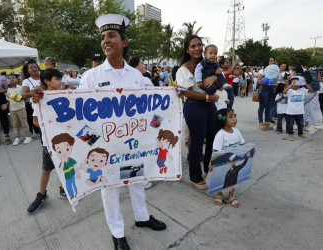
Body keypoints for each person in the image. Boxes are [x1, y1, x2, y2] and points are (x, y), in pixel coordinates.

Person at [79, 14, 166, 250]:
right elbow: (78, 116)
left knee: (137, 180)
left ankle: (142, 218)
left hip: (132, 145)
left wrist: (173, 99)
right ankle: (117, 233)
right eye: (103, 37)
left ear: (124, 42)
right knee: (110, 189)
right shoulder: (91, 77)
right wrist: (96, 144)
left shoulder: (136, 76)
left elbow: (152, 108)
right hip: (106, 148)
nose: (106, 41)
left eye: (112, 36)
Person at [176, 35, 219, 190]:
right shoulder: (183, 69)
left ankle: (208, 169)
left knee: (213, 138)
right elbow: (186, 93)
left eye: (199, 45)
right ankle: (195, 176)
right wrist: (209, 96)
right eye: (193, 46)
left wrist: (214, 77)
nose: (197, 48)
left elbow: (220, 79)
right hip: (194, 107)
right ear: (187, 50)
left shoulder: (208, 64)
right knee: (197, 141)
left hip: (210, 106)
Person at [27, 68, 66, 214]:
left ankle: (64, 189)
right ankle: (41, 195)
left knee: (65, 164)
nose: (60, 82)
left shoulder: (67, 95)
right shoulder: (41, 98)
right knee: (46, 170)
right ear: (47, 81)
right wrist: (50, 125)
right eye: (56, 79)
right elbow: (35, 121)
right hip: (49, 142)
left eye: (60, 78)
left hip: (65, 140)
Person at [208, 108, 251, 208]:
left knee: (234, 180)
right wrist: (211, 163)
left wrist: (249, 150)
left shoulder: (237, 131)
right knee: (222, 178)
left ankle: (231, 196)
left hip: (234, 161)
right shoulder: (220, 135)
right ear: (223, 120)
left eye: (234, 116)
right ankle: (220, 194)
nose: (234, 119)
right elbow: (215, 151)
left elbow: (242, 144)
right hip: (224, 162)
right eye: (230, 117)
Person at [283, 76, 314, 141]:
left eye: (298, 82)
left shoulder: (302, 90)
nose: (296, 84)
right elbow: (284, 92)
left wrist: (305, 83)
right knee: (290, 124)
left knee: (300, 124)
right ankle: (290, 134)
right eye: (294, 83)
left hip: (300, 111)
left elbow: (311, 90)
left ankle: (300, 134)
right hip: (290, 111)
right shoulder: (290, 91)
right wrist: (291, 85)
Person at [6, 73, 32, 146]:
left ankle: (28, 136)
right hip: (12, 109)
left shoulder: (21, 88)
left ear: (17, 79)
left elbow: (25, 97)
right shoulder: (8, 90)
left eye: (13, 78)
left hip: (21, 108)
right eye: (10, 78)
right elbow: (9, 100)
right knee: (15, 125)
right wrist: (6, 105)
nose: (11, 80)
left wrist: (19, 98)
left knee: (24, 123)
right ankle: (17, 137)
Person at [22, 59, 41, 138]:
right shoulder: (26, 81)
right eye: (31, 68)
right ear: (28, 71)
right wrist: (32, 93)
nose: (34, 69)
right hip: (37, 107)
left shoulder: (44, 77)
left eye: (35, 67)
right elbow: (24, 95)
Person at [257, 56, 277, 131]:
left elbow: (276, 80)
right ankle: (260, 122)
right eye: (270, 61)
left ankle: (267, 122)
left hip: (272, 89)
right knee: (262, 106)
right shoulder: (262, 71)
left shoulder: (275, 71)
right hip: (264, 89)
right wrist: (266, 81)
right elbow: (258, 80)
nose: (272, 62)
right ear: (267, 62)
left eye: (273, 61)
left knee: (269, 107)